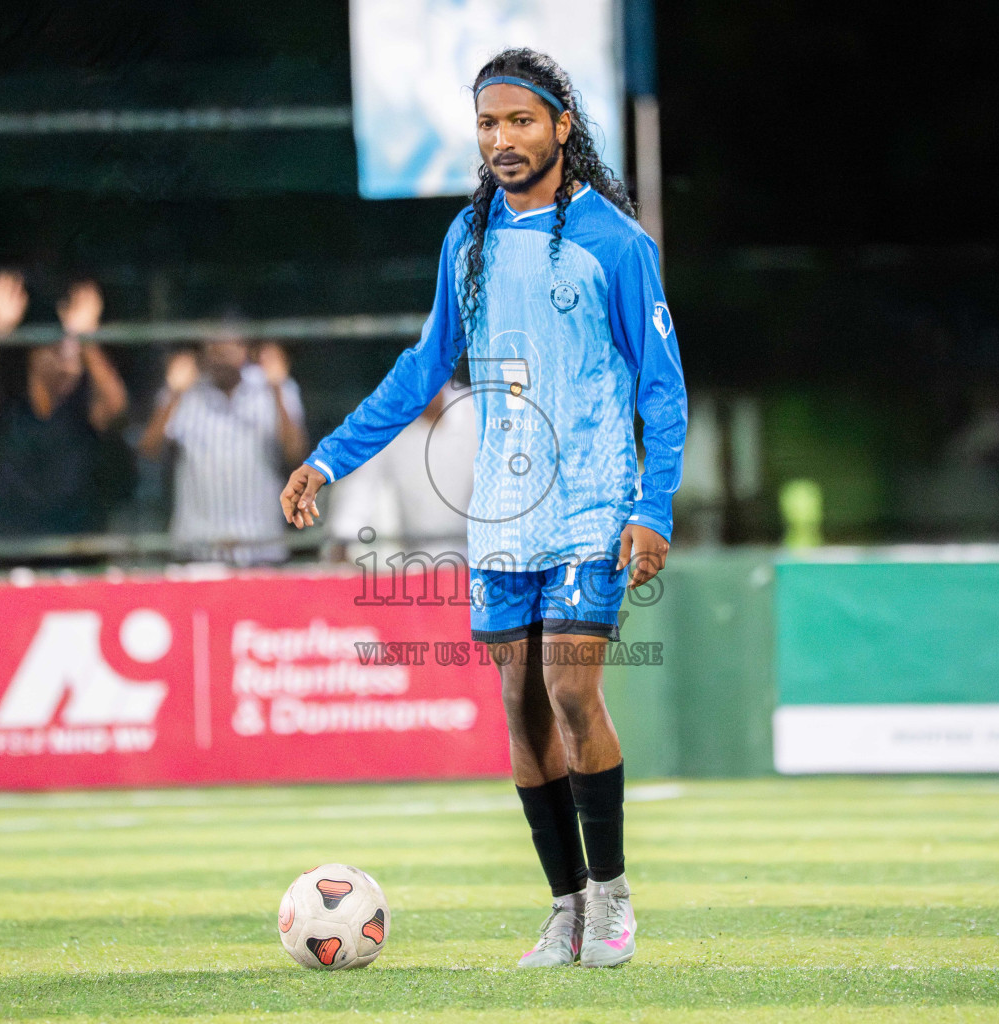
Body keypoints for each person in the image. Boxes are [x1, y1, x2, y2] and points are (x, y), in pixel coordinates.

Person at [279, 49, 687, 969]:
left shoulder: (616, 244)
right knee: (523, 709)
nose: (503, 140)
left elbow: (662, 389)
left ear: (562, 127)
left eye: (521, 122)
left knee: (570, 688)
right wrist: (327, 456)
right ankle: (567, 907)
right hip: (503, 511)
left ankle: (615, 897)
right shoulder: (466, 243)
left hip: (593, 501)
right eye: (488, 125)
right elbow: (422, 368)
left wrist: (652, 507)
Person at [0, 272, 129, 536]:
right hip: (13, 550)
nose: (69, 360)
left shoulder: (82, 408)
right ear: (35, 355)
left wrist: (86, 339)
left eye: (74, 353)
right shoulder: (10, 404)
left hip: (74, 552)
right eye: (60, 350)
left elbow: (116, 404)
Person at [139, 330, 307, 565]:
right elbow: (149, 450)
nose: (223, 353)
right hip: (198, 548)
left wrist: (277, 386)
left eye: (231, 344)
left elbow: (295, 453)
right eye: (215, 345)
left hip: (261, 547)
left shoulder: (272, 386)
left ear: (247, 348)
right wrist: (173, 391)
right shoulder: (185, 389)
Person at [324, 383, 476, 563]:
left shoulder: (477, 411)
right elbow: (360, 487)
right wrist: (343, 541)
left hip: (477, 560)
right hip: (415, 563)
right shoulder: (387, 419)